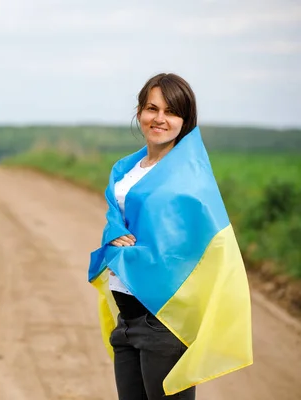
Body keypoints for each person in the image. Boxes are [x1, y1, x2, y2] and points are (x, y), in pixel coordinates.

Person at [107, 73, 198, 400]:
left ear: (185, 121)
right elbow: (116, 220)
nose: (160, 118)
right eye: (152, 108)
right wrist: (114, 235)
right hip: (127, 318)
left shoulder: (187, 176)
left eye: (171, 111)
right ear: (139, 112)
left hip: (164, 319)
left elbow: (192, 243)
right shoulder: (125, 170)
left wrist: (139, 250)